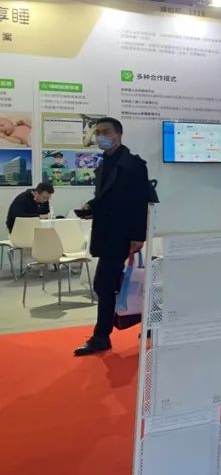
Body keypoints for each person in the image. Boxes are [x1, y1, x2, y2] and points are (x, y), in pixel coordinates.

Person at [74, 118, 156, 357]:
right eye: (98, 132)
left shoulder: (133, 164)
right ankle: (148, 323)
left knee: (104, 283)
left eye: (106, 131)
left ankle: (101, 336)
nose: (101, 136)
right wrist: (91, 207)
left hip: (123, 233)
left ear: (119, 134)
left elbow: (140, 202)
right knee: (115, 284)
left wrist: (138, 236)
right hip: (105, 232)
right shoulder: (103, 164)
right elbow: (106, 198)